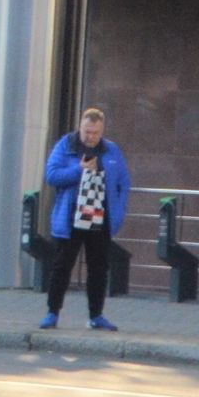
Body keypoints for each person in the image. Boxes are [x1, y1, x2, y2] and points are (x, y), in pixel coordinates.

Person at [41, 107, 130, 331]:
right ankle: (52, 313)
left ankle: (96, 315)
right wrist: (78, 171)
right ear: (80, 127)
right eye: (87, 132)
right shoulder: (66, 146)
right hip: (71, 218)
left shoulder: (111, 150)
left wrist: (118, 211)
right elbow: (51, 175)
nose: (90, 137)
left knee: (98, 267)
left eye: (95, 133)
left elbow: (123, 181)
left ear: (102, 131)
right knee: (62, 266)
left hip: (100, 218)